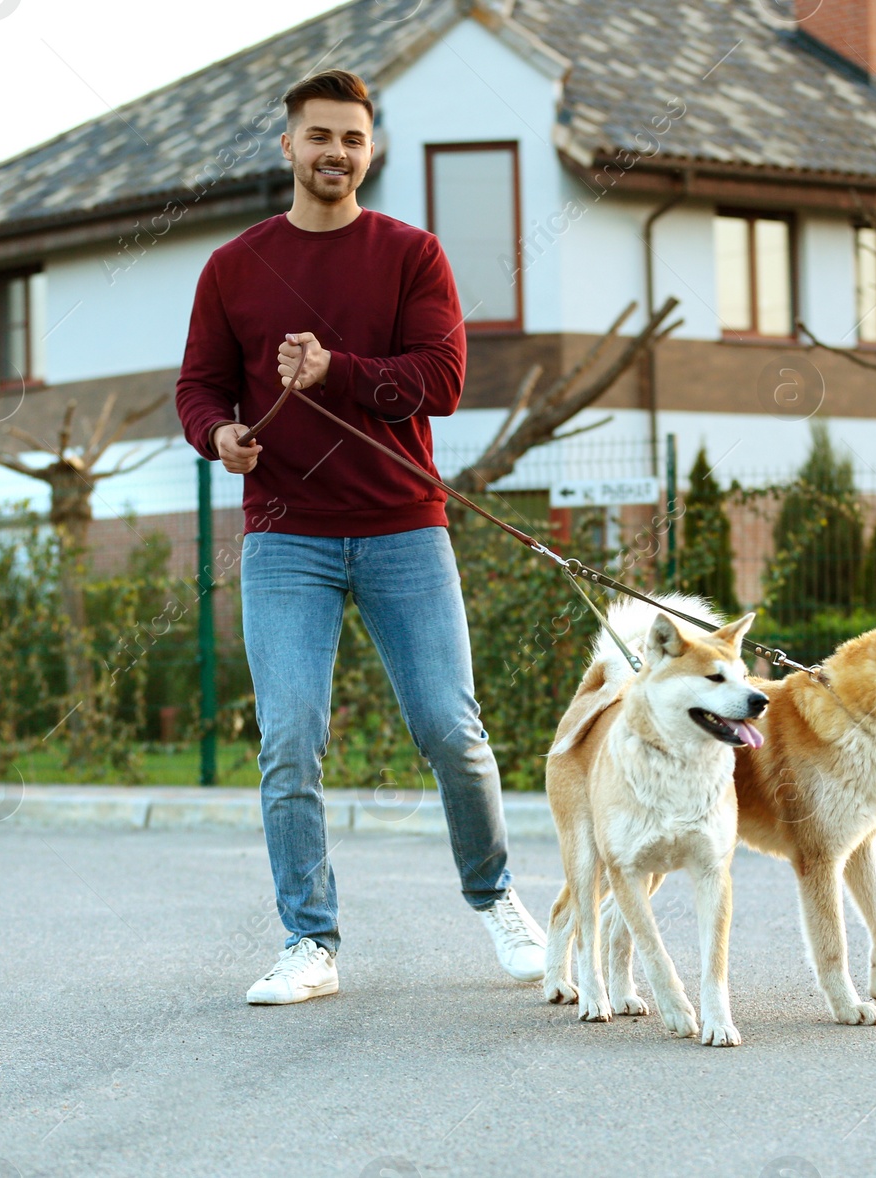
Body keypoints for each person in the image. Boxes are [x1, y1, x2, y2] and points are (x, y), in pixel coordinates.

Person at [175, 68, 546, 1004]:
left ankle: (497, 896)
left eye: (352, 138)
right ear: (288, 145)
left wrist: (337, 371)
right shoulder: (233, 267)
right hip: (285, 537)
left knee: (450, 731)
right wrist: (219, 435)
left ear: (369, 150)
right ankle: (310, 942)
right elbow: (198, 387)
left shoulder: (412, 255)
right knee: (290, 737)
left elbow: (443, 380)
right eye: (319, 136)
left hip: (402, 531)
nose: (335, 152)